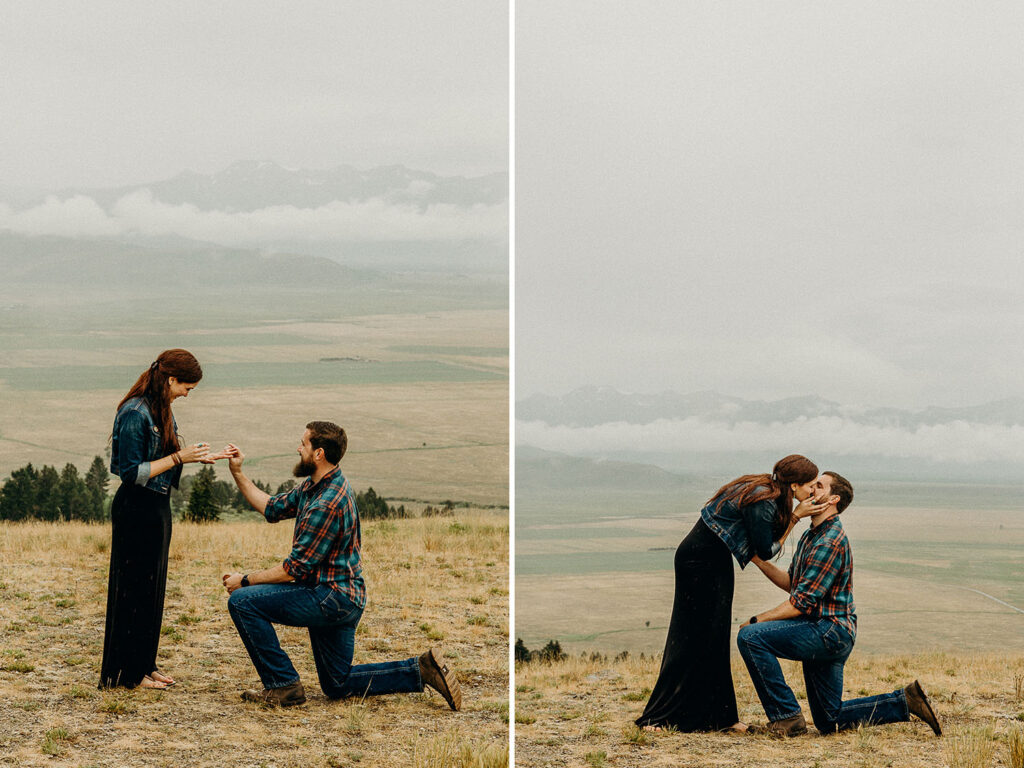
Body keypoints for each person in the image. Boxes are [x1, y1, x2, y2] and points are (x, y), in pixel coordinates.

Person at [215, 421, 462, 709]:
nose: (298, 448)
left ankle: (283, 686)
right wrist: (237, 472)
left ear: (318, 453)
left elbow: (293, 569)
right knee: (338, 684)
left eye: (303, 444)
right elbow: (272, 507)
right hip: (343, 596)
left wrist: (243, 580)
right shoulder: (317, 485)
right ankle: (420, 669)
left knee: (243, 602)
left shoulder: (326, 502)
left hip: (330, 598)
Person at [736, 472, 942, 737]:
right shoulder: (813, 535)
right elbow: (792, 583)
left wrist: (756, 621)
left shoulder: (829, 540)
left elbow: (799, 603)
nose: (811, 490)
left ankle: (786, 718)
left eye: (818, 486)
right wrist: (757, 559)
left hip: (827, 631)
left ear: (833, 499)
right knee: (829, 720)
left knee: (751, 638)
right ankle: (905, 701)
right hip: (824, 629)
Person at [636, 454, 824, 733]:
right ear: (795, 486)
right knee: (690, 637)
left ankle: (721, 718)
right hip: (699, 563)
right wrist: (796, 517)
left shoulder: (764, 489)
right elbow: (766, 550)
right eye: (810, 485)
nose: (813, 491)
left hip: (714, 561)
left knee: (715, 637)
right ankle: (661, 717)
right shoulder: (763, 498)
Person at [100, 349, 210, 689]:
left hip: (156, 505)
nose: (187, 395)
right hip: (137, 507)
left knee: (151, 590)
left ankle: (144, 664)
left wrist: (195, 458)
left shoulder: (160, 408)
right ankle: (125, 673)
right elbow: (131, 472)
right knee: (133, 590)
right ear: (171, 379)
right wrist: (180, 457)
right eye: (186, 388)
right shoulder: (135, 412)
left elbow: (163, 459)